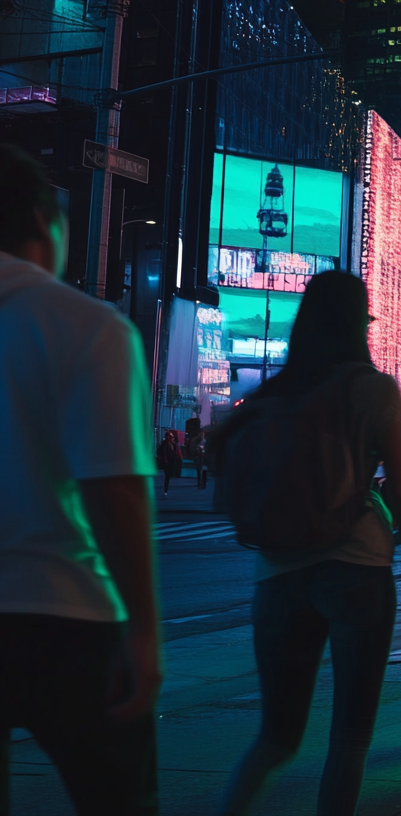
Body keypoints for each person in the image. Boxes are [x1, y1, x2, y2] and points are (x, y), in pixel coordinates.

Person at [217, 271, 401, 815]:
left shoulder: (278, 390)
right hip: (357, 566)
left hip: (276, 573)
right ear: (359, 322)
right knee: (351, 735)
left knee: (275, 737)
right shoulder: (375, 388)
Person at [0, 144, 163, 815]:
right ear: (45, 220)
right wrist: (144, 631)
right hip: (66, 617)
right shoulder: (88, 327)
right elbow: (115, 490)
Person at [156, 429, 183, 495]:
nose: (171, 438)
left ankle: (166, 489)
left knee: (169, 475)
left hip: (172, 462)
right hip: (166, 462)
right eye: (170, 437)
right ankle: (166, 490)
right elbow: (161, 453)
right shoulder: (164, 445)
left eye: (172, 437)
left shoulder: (174, 444)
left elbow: (177, 452)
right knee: (167, 476)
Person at [185, 420, 208, 488]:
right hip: (199, 453)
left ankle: (201, 482)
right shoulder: (198, 436)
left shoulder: (198, 436)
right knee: (200, 468)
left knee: (201, 469)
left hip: (199, 453)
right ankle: (201, 482)